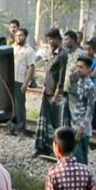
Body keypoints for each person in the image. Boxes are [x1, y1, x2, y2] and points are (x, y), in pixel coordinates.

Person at [34, 28, 68, 157]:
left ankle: (55, 149)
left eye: (52, 39)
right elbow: (48, 72)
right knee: (43, 120)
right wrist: (44, 87)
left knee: (54, 122)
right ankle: (41, 147)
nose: (50, 42)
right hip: (47, 90)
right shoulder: (52, 52)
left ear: (58, 39)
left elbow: (61, 76)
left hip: (55, 93)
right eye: (48, 39)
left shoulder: (62, 54)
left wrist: (56, 95)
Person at [70, 55, 96, 165]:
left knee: (81, 159)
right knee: (74, 157)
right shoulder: (78, 81)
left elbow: (90, 110)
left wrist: (82, 129)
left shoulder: (90, 86)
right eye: (77, 67)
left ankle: (84, 180)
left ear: (88, 69)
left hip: (82, 128)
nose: (78, 70)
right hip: (74, 123)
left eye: (81, 67)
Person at [10, 28, 35, 135]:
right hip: (10, 79)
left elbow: (31, 67)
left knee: (19, 105)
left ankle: (21, 128)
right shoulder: (13, 47)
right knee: (11, 105)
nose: (18, 37)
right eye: (17, 35)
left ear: (25, 36)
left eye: (21, 35)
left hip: (20, 80)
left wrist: (26, 83)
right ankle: (12, 128)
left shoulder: (29, 50)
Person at [62, 30, 85, 126]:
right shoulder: (67, 53)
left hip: (76, 89)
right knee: (64, 116)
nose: (65, 41)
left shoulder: (81, 54)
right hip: (66, 88)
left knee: (75, 116)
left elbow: (83, 70)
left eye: (67, 39)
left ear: (74, 40)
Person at [85, 38, 96, 131]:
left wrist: (86, 72)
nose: (87, 51)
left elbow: (93, 74)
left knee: (91, 109)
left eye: (89, 49)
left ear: (94, 50)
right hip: (83, 87)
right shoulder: (84, 60)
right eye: (86, 49)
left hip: (92, 87)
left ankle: (92, 128)